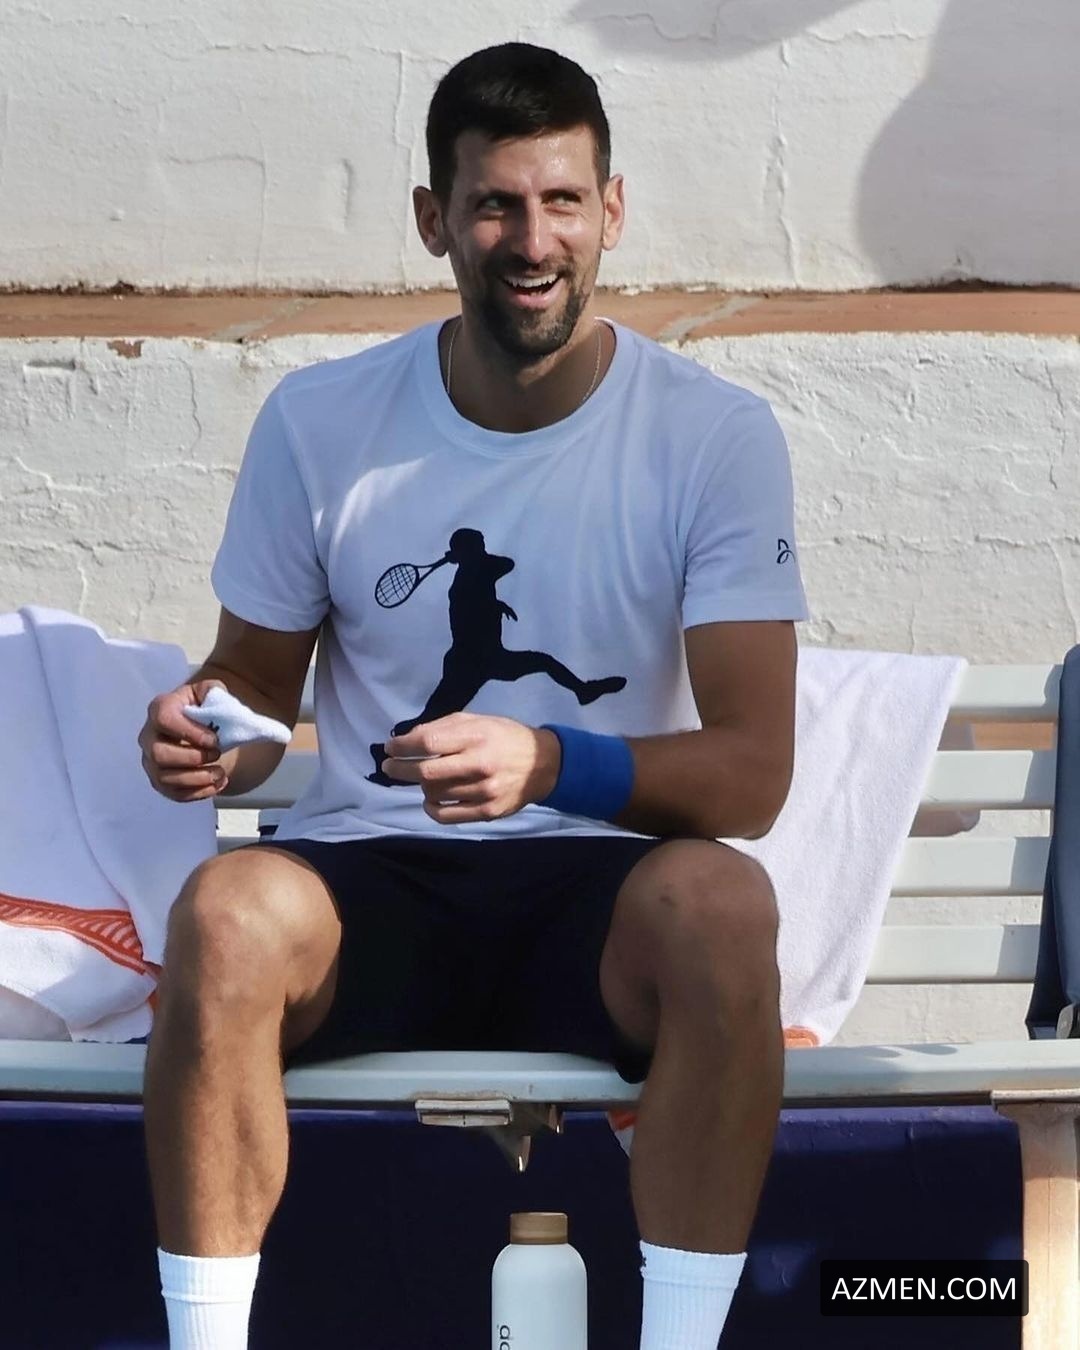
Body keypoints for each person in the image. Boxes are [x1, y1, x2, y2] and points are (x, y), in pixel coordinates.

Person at [138, 41, 808, 1350]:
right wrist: (205, 729)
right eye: (496, 204)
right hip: (368, 876)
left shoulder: (713, 435)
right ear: (433, 219)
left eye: (562, 201)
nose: (532, 239)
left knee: (724, 903)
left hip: (594, 885)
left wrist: (551, 763)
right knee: (224, 913)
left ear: (612, 210)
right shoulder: (320, 420)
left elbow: (753, 772)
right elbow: (256, 685)